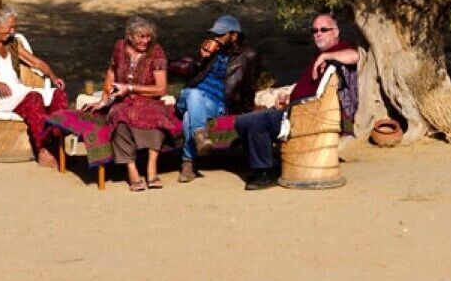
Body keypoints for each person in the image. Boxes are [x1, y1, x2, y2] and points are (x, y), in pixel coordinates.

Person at [233, 12, 359, 190]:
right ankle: (269, 162)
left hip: (304, 116)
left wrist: (326, 57)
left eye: (324, 29)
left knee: (253, 122)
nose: (318, 33)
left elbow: (354, 56)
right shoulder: (318, 55)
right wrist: (288, 98)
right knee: (242, 121)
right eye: (315, 30)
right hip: (293, 109)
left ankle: (266, 172)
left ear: (336, 32)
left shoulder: (339, 50)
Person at [0, 0, 68, 168]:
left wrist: (53, 77)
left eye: (14, 27)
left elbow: (36, 63)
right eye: (9, 27)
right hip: (2, 98)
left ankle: (55, 145)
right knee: (34, 99)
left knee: (58, 95)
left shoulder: (12, 43)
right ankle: (43, 149)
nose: (12, 31)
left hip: (19, 92)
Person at [169, 14, 262, 182]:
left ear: (233, 35)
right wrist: (200, 59)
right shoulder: (210, 50)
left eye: (221, 34)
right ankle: (200, 136)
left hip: (216, 103)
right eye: (215, 34)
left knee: (191, 115)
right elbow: (189, 78)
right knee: (193, 94)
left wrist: (246, 111)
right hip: (189, 96)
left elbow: (249, 86)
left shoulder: (248, 55)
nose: (216, 38)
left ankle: (188, 164)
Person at [93, 15, 177, 191]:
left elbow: (161, 89)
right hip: (124, 101)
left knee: (157, 117)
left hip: (148, 99)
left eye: (148, 37)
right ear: (130, 35)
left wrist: (129, 88)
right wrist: (103, 100)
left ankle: (152, 168)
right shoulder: (119, 47)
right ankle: (132, 170)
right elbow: (111, 72)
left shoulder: (156, 52)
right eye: (141, 36)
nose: (145, 41)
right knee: (120, 118)